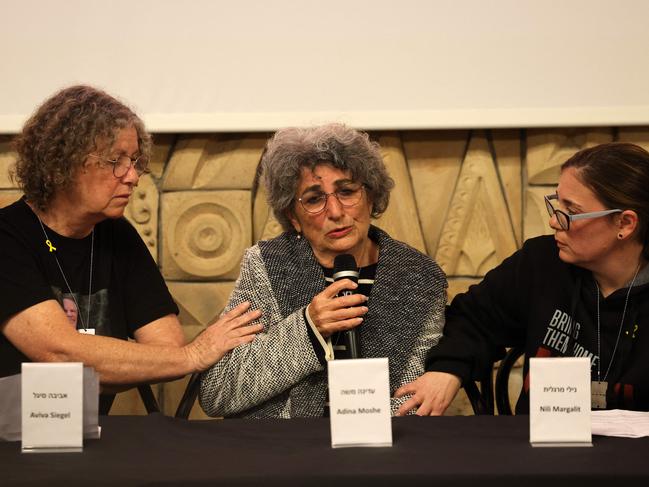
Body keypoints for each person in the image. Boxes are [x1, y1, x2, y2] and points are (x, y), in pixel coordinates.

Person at [0, 85, 262, 414]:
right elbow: (59, 352)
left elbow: (166, 347)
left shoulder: (117, 234)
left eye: (135, 161)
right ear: (65, 163)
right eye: (116, 162)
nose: (133, 176)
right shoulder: (7, 237)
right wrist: (190, 356)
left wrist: (102, 360)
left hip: (90, 437)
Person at [199, 123, 447, 418]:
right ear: (293, 216)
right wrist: (308, 330)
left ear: (370, 196)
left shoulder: (418, 277)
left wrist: (360, 443)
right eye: (315, 199)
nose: (335, 212)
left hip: (379, 453)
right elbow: (217, 392)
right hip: (282, 451)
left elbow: (414, 401)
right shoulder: (266, 265)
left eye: (346, 191)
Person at [396, 142, 649, 415]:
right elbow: (473, 316)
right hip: (540, 447)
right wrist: (448, 369)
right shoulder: (541, 262)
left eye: (571, 212)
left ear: (624, 223)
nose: (554, 221)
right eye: (556, 204)